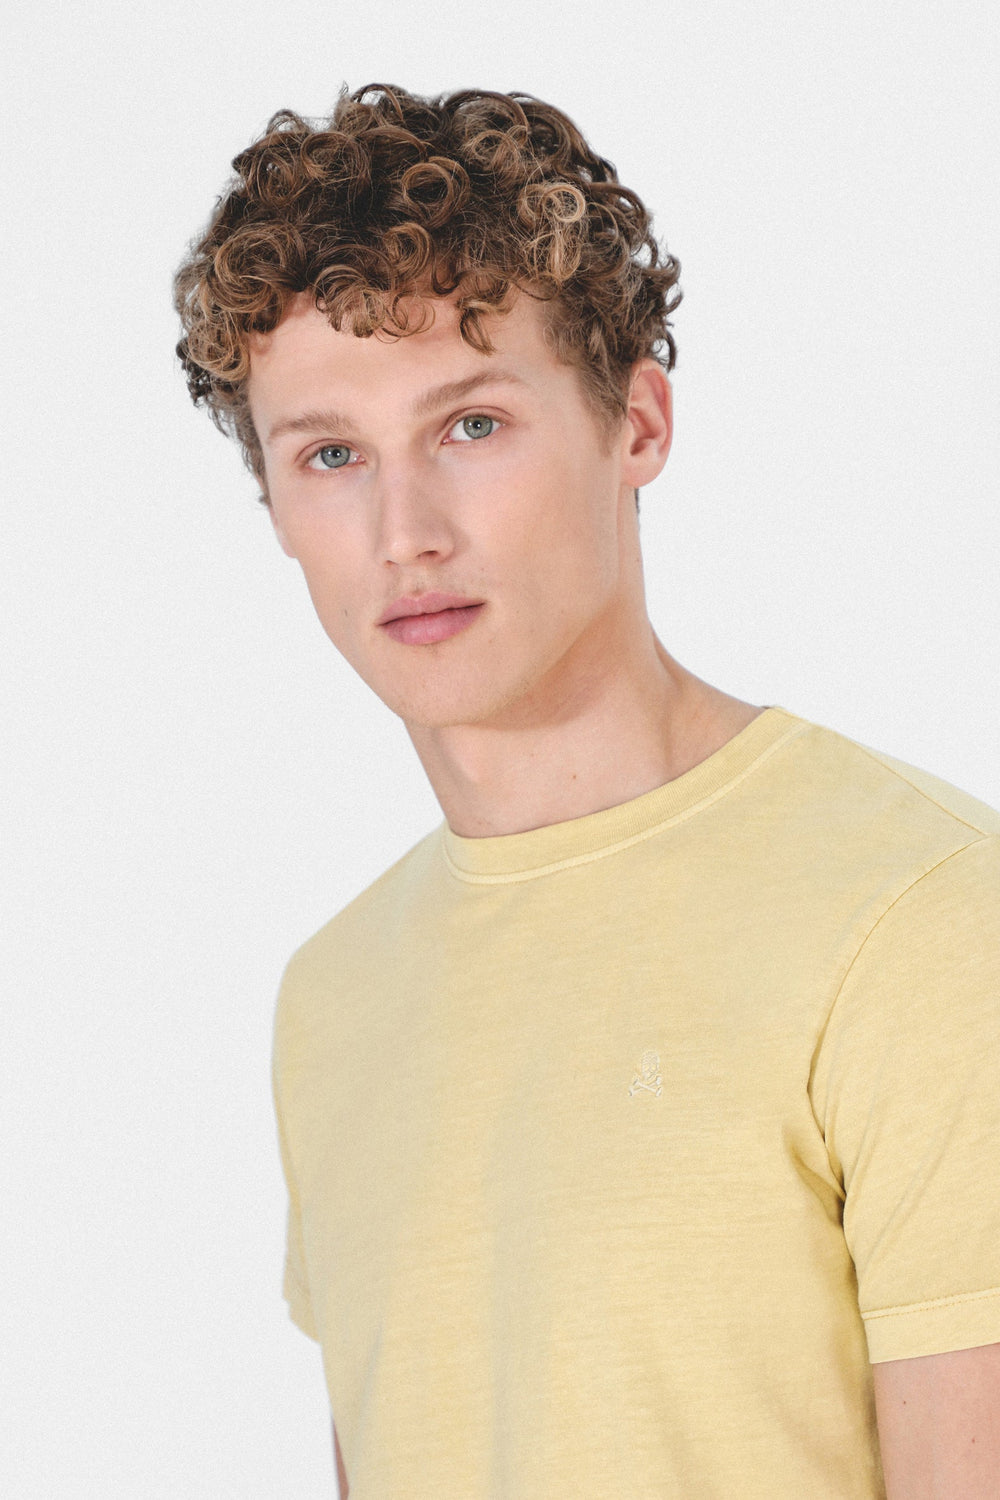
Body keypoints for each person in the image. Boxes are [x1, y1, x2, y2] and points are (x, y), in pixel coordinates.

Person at [173, 83, 1000, 1498]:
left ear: (638, 425)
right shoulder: (336, 995)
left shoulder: (923, 921)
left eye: (471, 426)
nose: (405, 534)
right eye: (331, 456)